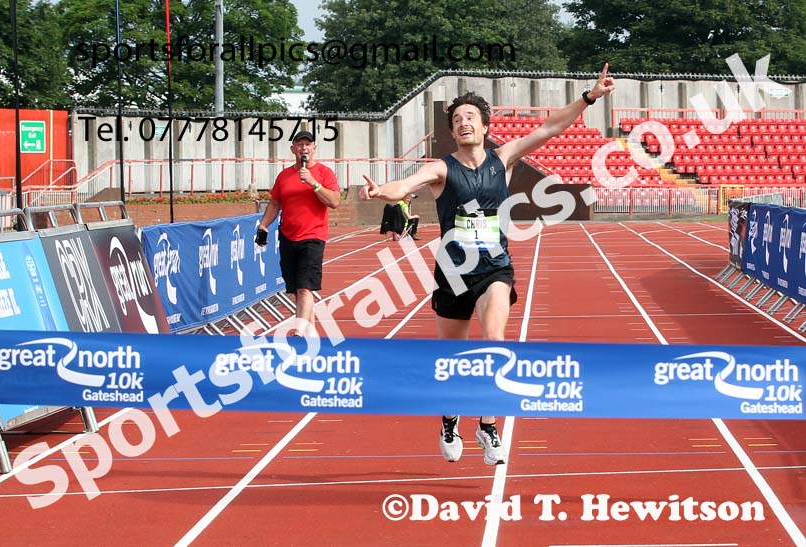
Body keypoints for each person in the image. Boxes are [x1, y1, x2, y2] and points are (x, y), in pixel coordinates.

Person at [359, 65, 614, 465]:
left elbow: (549, 129)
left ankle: (488, 423)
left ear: (484, 126)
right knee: (452, 358)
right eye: (456, 119)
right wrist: (380, 193)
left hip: (495, 266)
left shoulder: (503, 158)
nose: (462, 123)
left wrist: (589, 97)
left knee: (494, 341)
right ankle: (449, 417)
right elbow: (404, 186)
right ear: (452, 130)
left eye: (469, 118)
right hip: (453, 273)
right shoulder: (442, 168)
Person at [257, 130, 341, 337]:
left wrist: (314, 183)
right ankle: (311, 333)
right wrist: (263, 225)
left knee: (305, 288)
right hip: (288, 236)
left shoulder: (324, 173)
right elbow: (275, 203)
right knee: (297, 290)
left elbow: (334, 202)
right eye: (299, 144)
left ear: (314, 148)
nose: (304, 148)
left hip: (313, 236)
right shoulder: (284, 176)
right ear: (293, 149)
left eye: (307, 144)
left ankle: (299, 333)